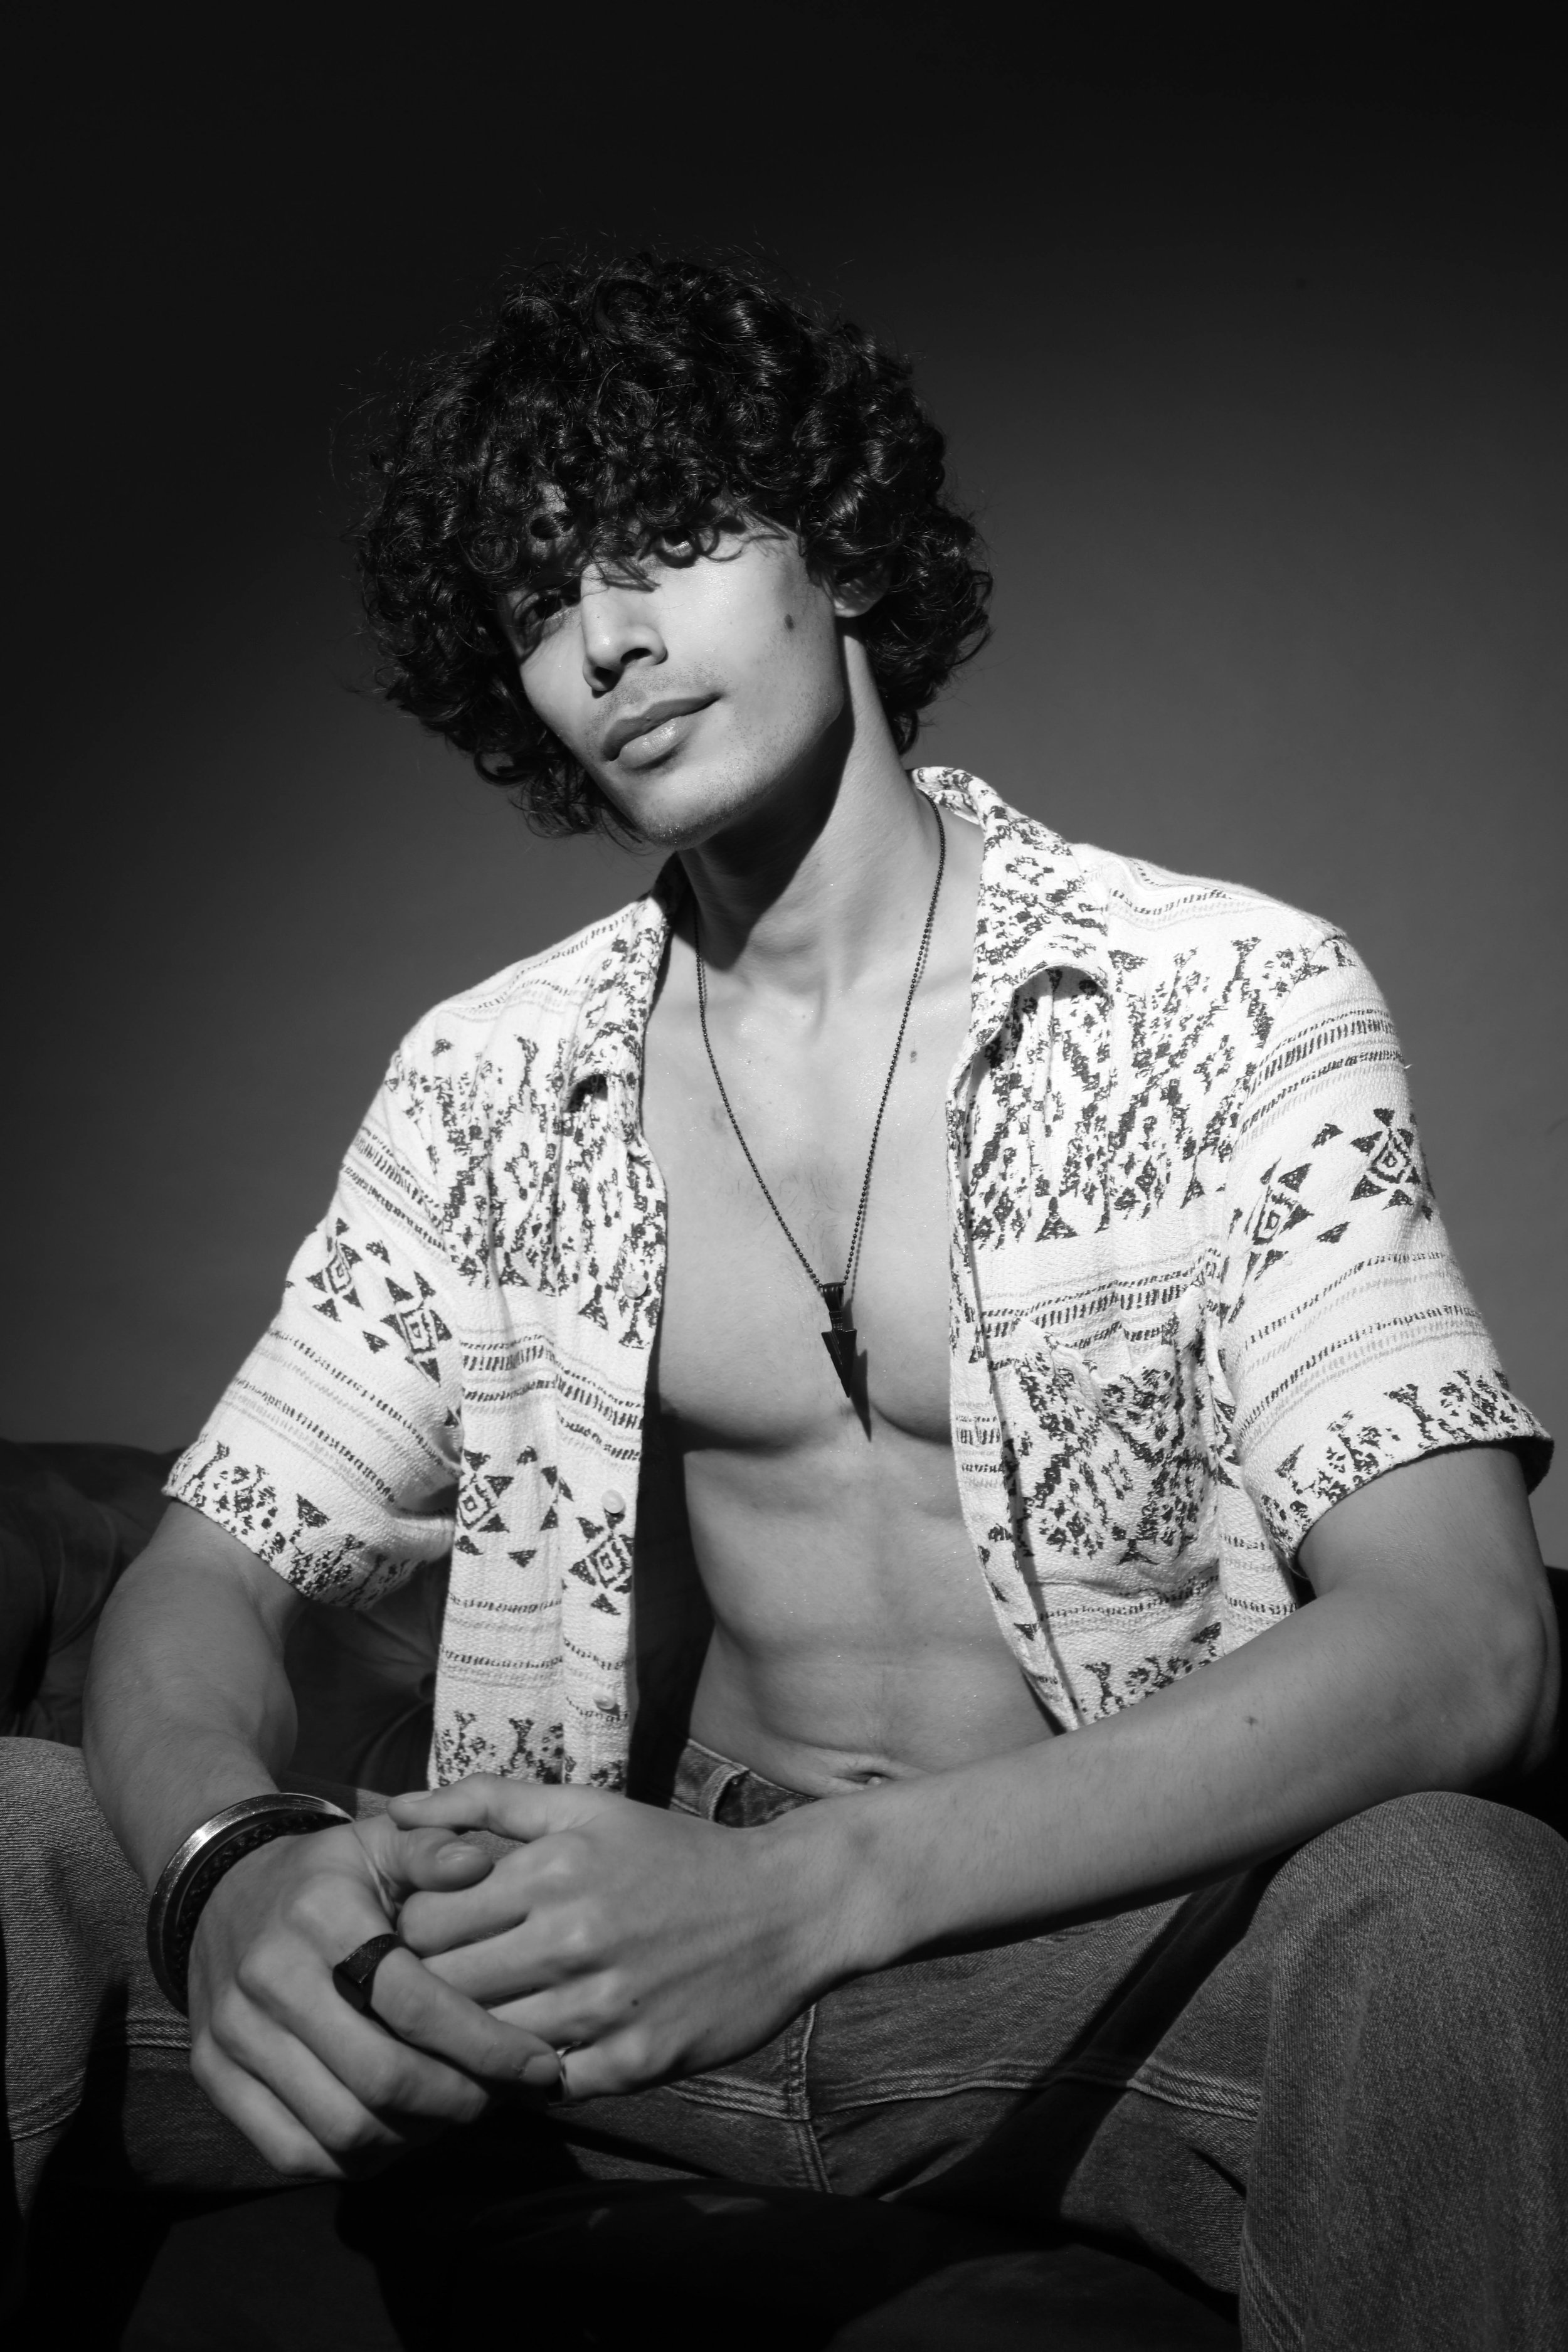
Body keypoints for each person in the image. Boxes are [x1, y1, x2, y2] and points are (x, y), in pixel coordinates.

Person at [3, 252, 1564, 2349]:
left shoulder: (1222, 1001)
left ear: (836, 542)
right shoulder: (491, 1078)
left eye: (659, 544)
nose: (606, 643)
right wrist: (230, 1866)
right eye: (539, 602)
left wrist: (801, 1900)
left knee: (1456, 1913)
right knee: (12, 1839)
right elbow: (206, 1571)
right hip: (593, 1946)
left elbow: (1464, 1641)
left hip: (1072, 1955)